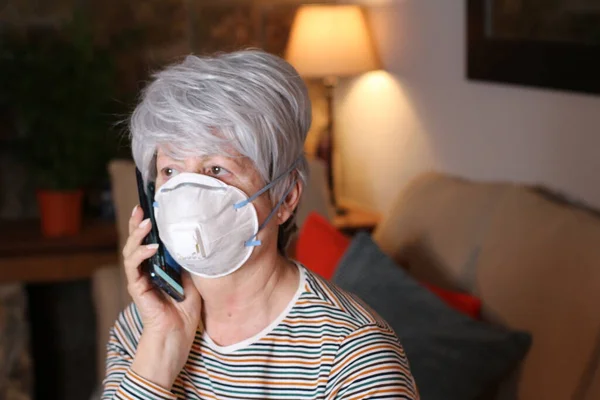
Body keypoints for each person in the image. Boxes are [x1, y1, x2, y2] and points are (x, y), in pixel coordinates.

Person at [102, 50, 419, 400]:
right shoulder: (140, 328)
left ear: (285, 197)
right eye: (171, 171)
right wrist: (160, 350)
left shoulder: (354, 355)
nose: (187, 194)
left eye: (217, 169)